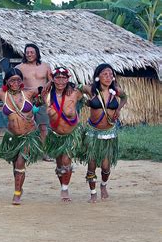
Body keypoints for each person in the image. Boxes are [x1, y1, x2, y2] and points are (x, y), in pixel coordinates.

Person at [0, 68, 44, 205]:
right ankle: (19, 187)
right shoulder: (1, 93)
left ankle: (16, 194)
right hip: (12, 137)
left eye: (18, 80)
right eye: (12, 80)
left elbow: (43, 89)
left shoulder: (29, 92)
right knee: (15, 166)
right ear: (7, 81)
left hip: (29, 136)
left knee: (20, 162)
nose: (16, 83)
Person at [82, 63, 127, 203]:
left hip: (109, 134)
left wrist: (118, 109)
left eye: (110, 74)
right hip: (92, 134)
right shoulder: (91, 90)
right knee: (92, 165)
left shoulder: (116, 91)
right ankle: (93, 193)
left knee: (106, 167)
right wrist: (85, 101)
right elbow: (76, 89)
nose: (108, 77)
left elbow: (125, 98)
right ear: (98, 76)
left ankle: (103, 185)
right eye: (105, 74)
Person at [44, 67, 84, 202]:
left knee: (66, 161)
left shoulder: (75, 93)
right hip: (55, 136)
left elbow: (89, 88)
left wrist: (75, 85)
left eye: (64, 78)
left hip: (70, 135)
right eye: (57, 78)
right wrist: (48, 84)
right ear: (53, 79)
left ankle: (65, 189)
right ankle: (63, 185)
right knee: (59, 164)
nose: (61, 81)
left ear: (68, 79)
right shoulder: (47, 94)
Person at [16, 43, 53, 161]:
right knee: (26, 128)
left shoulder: (45, 66)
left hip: (42, 100)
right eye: (27, 53)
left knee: (43, 127)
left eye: (32, 52)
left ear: (37, 53)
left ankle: (44, 152)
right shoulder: (19, 68)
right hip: (26, 100)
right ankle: (26, 152)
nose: (29, 55)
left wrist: (48, 84)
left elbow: (53, 80)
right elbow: (13, 82)